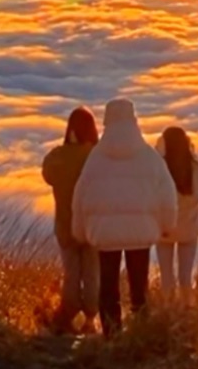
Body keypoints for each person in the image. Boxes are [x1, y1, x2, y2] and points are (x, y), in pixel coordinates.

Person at [70, 97, 178, 336]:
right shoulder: (149, 156)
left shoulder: (96, 158)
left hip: (105, 234)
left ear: (107, 121)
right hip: (141, 232)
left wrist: (79, 231)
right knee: (139, 288)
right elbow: (167, 193)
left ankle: (112, 335)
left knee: (108, 288)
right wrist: (167, 225)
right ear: (134, 119)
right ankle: (140, 334)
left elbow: (80, 196)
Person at [40, 106, 100, 333]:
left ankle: (67, 315)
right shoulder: (98, 157)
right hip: (92, 225)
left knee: (71, 273)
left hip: (66, 225)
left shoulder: (56, 157)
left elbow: (47, 175)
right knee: (93, 273)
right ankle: (91, 320)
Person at [155, 125, 198, 297]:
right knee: (185, 278)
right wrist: (193, 154)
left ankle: (168, 311)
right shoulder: (194, 168)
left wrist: (158, 152)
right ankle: (186, 309)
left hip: (165, 230)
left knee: (167, 277)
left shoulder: (160, 169)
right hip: (189, 229)